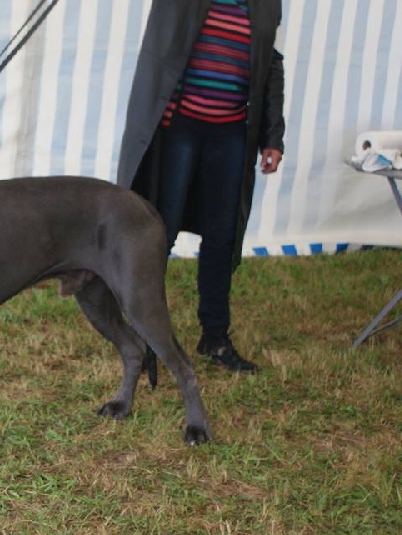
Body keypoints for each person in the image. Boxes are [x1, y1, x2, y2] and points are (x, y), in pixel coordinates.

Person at [117, 0, 286, 373]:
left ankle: (215, 336)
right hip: (179, 128)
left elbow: (270, 63)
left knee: (222, 237)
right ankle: (146, 336)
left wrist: (272, 135)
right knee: (159, 232)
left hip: (230, 133)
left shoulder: (265, 5)